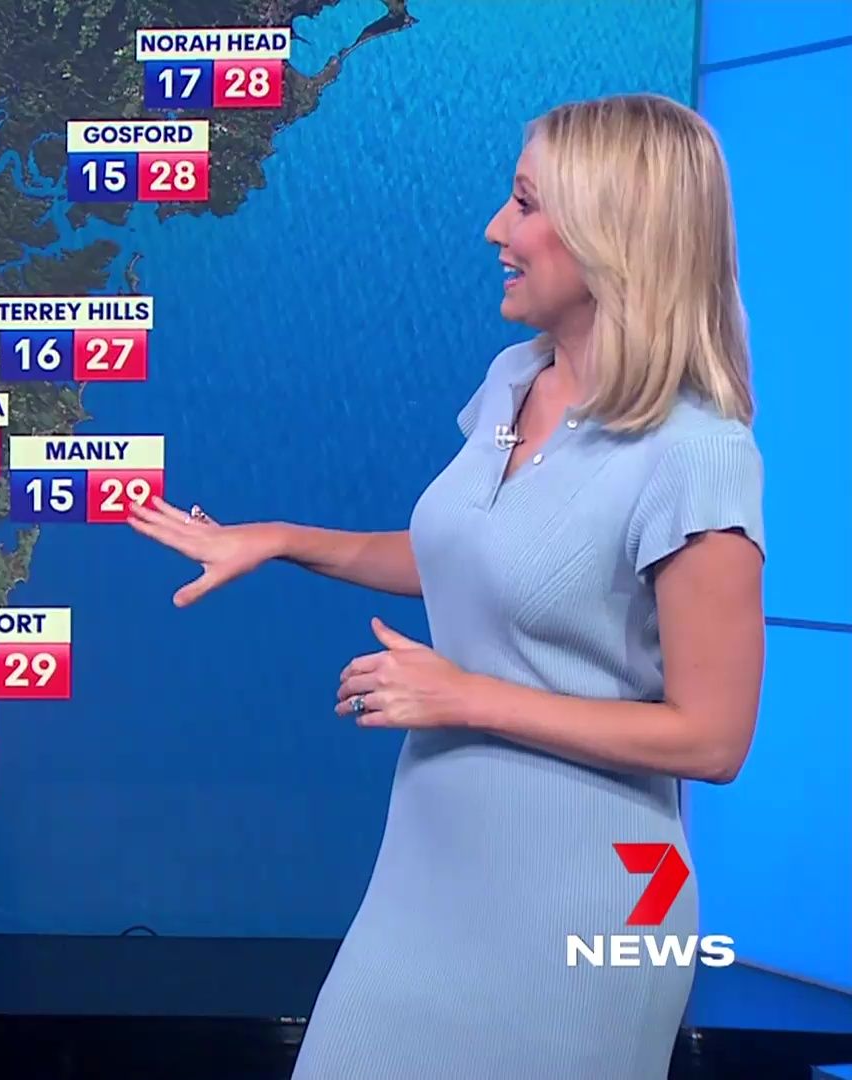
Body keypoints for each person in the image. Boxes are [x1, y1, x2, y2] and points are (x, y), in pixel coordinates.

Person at [128, 93, 766, 1079]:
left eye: (526, 205)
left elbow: (712, 739)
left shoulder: (697, 455)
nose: (494, 229)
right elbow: (474, 560)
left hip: (592, 902)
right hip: (427, 879)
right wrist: (283, 540)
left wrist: (466, 697)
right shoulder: (514, 380)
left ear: (614, 231)